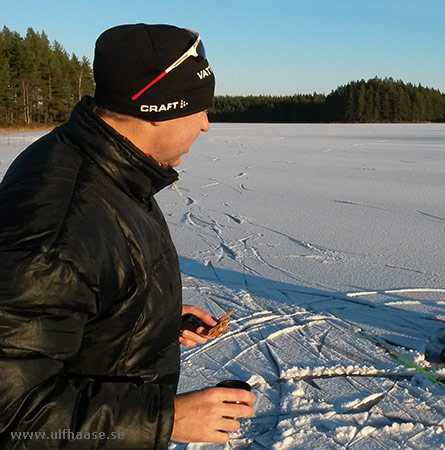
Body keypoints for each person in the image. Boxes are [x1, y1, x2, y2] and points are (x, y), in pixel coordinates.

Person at [0, 24, 254, 448]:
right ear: (160, 108)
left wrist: (148, 319)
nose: (206, 125)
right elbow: (15, 417)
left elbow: (82, 296)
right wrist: (167, 421)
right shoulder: (59, 230)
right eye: (198, 109)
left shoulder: (106, 166)